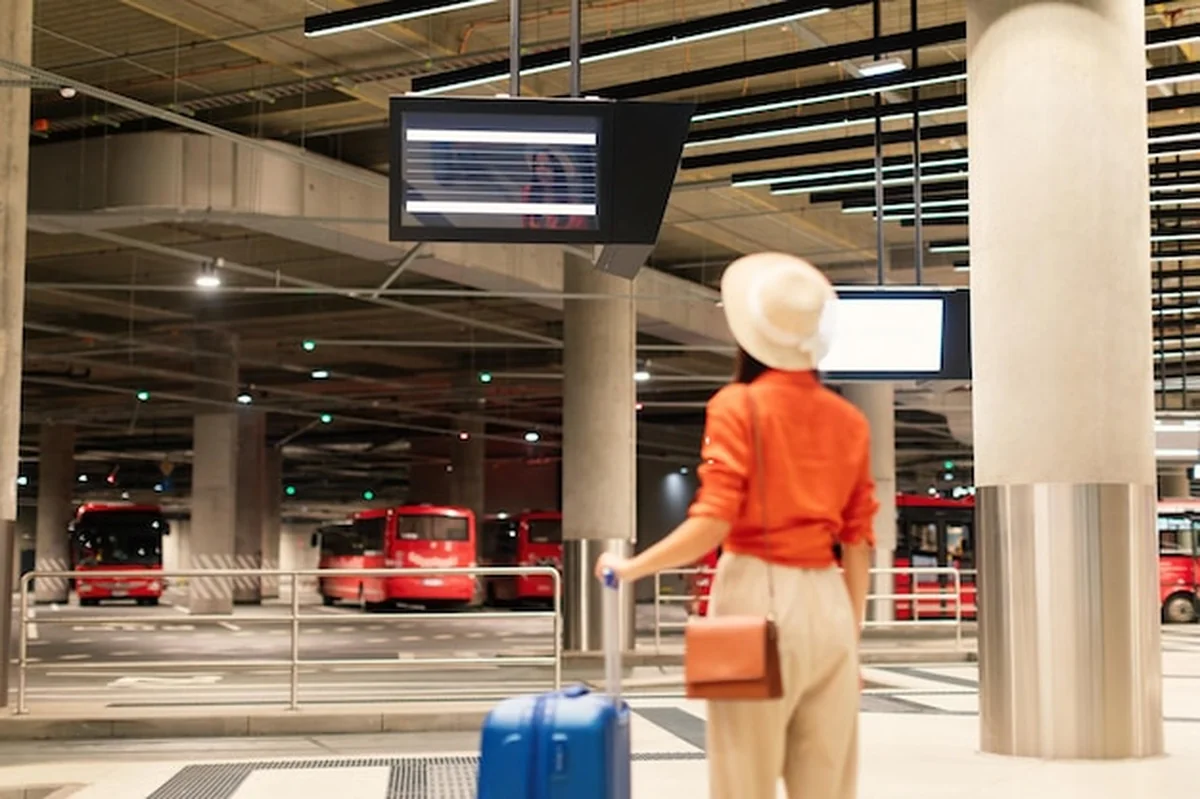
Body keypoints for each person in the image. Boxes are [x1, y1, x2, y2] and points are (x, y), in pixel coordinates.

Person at [596, 252, 877, 799]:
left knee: (742, 778)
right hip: (831, 611)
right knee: (826, 784)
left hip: (753, 596)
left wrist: (630, 568)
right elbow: (859, 542)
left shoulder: (738, 404)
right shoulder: (850, 421)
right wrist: (851, 641)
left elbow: (714, 521)